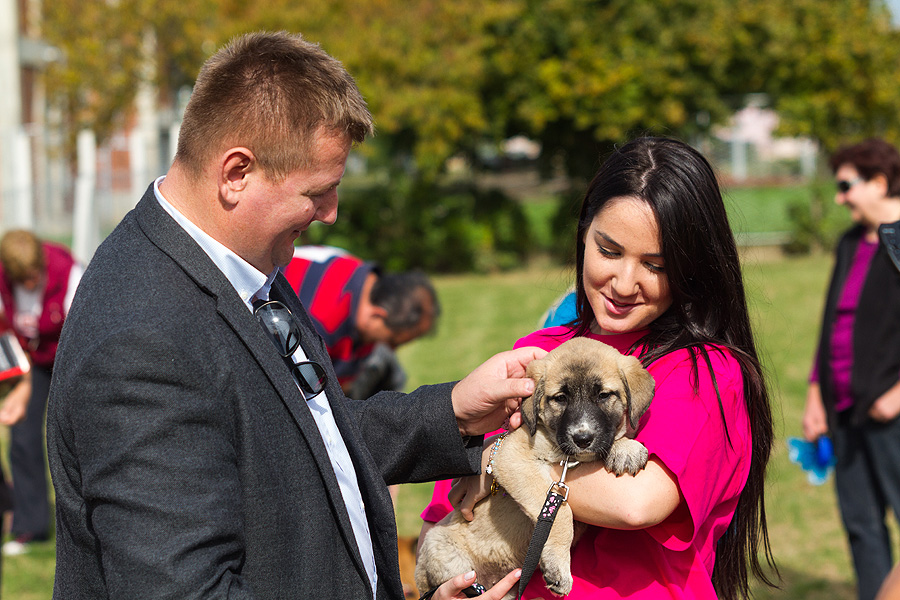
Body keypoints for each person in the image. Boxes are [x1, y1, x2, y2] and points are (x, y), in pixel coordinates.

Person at [46, 31, 540, 600]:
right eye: (318, 192)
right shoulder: (142, 337)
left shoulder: (245, 264)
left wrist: (450, 413)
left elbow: (302, 442)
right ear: (237, 173)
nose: (330, 214)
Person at [440, 137, 778, 599]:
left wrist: (495, 461)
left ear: (690, 269)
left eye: (655, 265)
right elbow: (450, 509)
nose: (623, 284)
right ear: (584, 236)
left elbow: (635, 502)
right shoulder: (537, 355)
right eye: (609, 251)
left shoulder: (704, 372)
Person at [802, 138, 900, 600]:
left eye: (846, 185)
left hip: (891, 412)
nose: (839, 197)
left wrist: (897, 396)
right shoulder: (848, 243)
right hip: (845, 408)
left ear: (879, 183)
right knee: (861, 525)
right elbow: (828, 324)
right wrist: (816, 396)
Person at [0, 229, 82, 556]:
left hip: (71, 354)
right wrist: (18, 383)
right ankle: (29, 526)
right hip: (30, 361)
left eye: (34, 277)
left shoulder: (69, 272)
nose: (30, 286)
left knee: (77, 436)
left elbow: (84, 329)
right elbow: (5, 331)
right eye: (23, 281)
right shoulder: (3, 280)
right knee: (21, 437)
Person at [284, 245, 439, 399]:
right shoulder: (315, 326)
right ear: (378, 315)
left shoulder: (362, 276)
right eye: (391, 342)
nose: (392, 350)